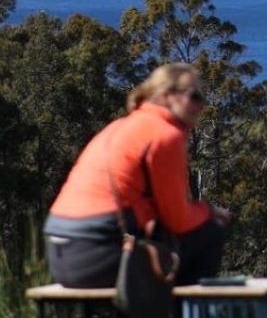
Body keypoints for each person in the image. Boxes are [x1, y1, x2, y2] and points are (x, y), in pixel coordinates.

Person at [44, 62, 231, 290]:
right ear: (165, 96)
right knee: (211, 230)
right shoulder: (165, 136)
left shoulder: (120, 126)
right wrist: (210, 211)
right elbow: (179, 221)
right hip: (99, 254)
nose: (200, 106)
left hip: (60, 254)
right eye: (194, 96)